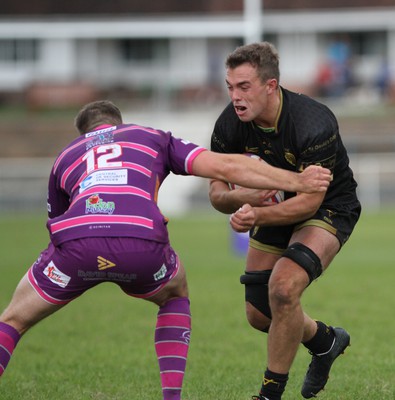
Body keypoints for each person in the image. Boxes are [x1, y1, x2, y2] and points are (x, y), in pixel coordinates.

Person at [0, 100, 331, 399]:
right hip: (141, 242)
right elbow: (225, 167)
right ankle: (171, 396)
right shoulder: (151, 137)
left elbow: (55, 223)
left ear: (85, 132)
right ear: (118, 123)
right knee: (174, 294)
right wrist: (297, 182)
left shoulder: (66, 155)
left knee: (13, 319)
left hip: (77, 245)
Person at [209, 42, 361, 400]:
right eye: (230, 86)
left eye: (244, 86)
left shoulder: (313, 121)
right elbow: (216, 193)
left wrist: (256, 214)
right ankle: (325, 341)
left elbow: (309, 201)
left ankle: (269, 394)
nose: (235, 96)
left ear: (271, 86)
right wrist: (238, 199)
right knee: (260, 313)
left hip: (328, 207)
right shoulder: (230, 123)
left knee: (284, 288)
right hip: (273, 207)